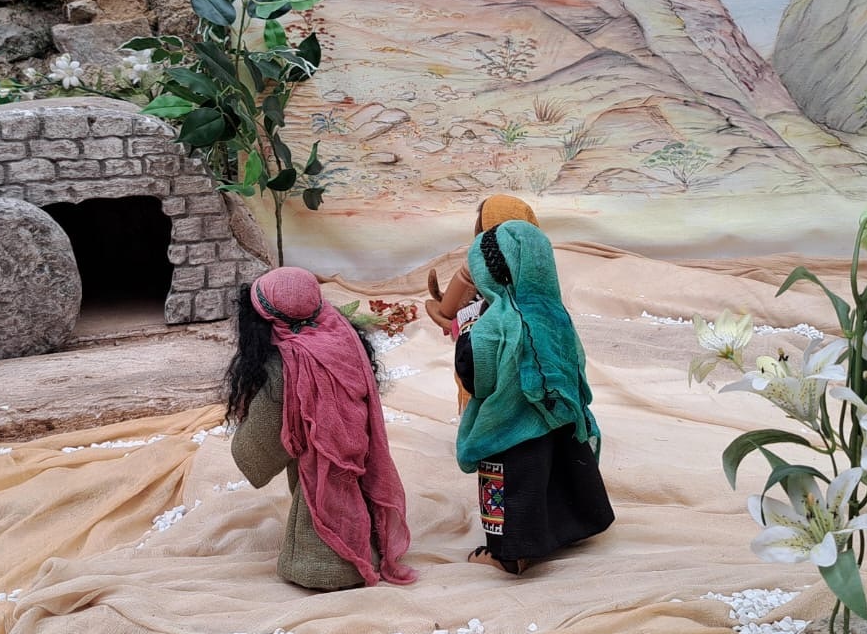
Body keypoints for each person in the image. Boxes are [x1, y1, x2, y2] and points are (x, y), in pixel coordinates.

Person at [226, 267, 418, 591]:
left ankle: (326, 565)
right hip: (358, 451)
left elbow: (260, 449)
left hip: (321, 473)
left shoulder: (287, 366)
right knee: (350, 489)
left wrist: (244, 444)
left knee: (320, 494)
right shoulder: (343, 336)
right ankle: (367, 546)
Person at [455, 220, 613, 575]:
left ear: (491, 273)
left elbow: (479, 381)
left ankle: (509, 552)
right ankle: (574, 526)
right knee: (565, 474)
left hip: (510, 428)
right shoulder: (556, 313)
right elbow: (576, 363)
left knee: (514, 487)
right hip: (563, 418)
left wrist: (466, 335)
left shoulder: (493, 324)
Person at [425, 194, 540, 412]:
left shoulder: (481, 261)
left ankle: (478, 424)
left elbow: (448, 310)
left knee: (478, 391)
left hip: (483, 352)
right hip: (532, 358)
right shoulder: (538, 263)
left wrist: (446, 314)